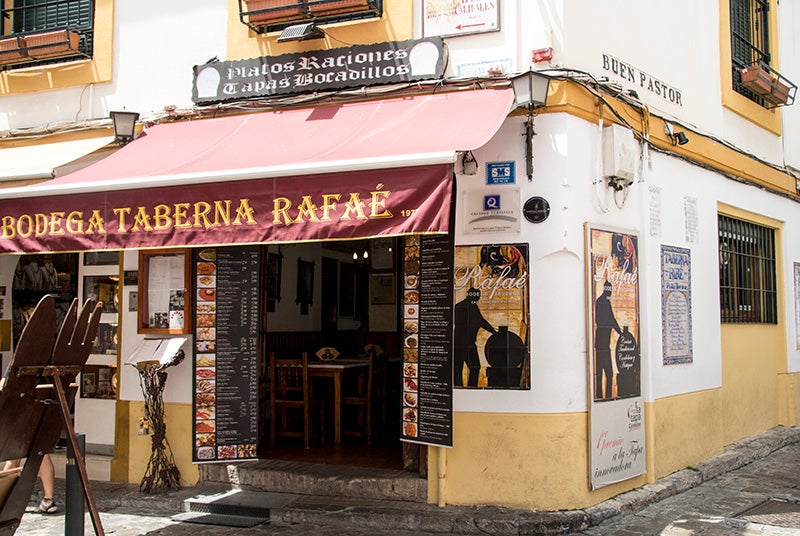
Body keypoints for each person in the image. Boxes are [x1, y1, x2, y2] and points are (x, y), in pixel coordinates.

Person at [454, 287, 496, 387]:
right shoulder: (472, 308)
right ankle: (471, 387)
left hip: (457, 343)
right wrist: (494, 332)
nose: (478, 299)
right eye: (477, 297)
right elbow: (482, 322)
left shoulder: (458, 306)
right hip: (468, 344)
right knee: (475, 367)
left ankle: (459, 387)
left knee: (457, 368)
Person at [594, 280, 622, 400]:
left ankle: (601, 396)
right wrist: (621, 333)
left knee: (601, 373)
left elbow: (610, 320)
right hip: (603, 344)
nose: (610, 293)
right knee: (607, 373)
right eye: (609, 290)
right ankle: (606, 397)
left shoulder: (602, 301)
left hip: (602, 343)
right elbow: (610, 320)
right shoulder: (603, 302)